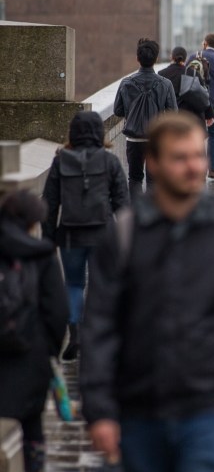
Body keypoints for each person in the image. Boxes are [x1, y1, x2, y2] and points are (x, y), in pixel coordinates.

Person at [81, 113, 214, 472]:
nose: (193, 167)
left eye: (198, 155)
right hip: (140, 409)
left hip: (213, 407)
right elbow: (100, 326)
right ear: (154, 163)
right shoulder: (124, 238)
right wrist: (99, 411)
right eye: (180, 158)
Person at [41, 111, 128, 360]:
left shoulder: (61, 161)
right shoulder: (109, 161)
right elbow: (122, 202)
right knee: (103, 285)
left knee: (74, 284)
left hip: (70, 235)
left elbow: (50, 203)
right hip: (103, 234)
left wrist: (47, 239)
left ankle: (76, 334)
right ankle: (98, 335)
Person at [0, 191, 69, 472]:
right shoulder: (42, 256)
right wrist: (49, 350)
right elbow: (58, 312)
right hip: (31, 354)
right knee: (32, 426)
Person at [113, 38, 177, 197]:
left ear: (137, 58)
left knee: (134, 177)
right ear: (156, 59)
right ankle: (152, 214)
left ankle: (136, 214)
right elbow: (173, 113)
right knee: (154, 179)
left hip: (133, 139)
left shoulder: (126, 82)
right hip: (156, 138)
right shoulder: (165, 84)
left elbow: (118, 110)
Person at [187, 34, 214, 180]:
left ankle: (192, 167)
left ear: (205, 43)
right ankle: (213, 169)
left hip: (195, 101)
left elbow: (185, 76)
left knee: (193, 135)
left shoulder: (194, 55)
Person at [159, 47, 214, 127]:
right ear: (185, 59)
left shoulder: (162, 74)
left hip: (169, 118)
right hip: (190, 117)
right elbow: (203, 95)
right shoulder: (193, 73)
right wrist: (209, 114)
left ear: (171, 57)